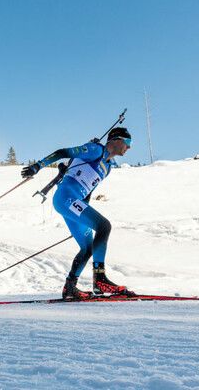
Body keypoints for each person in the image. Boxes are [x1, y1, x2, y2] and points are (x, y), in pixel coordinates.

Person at [21, 127, 132, 299]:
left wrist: (84, 215)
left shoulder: (108, 167)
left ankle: (70, 286)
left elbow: (88, 191)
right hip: (66, 197)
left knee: (87, 248)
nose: (129, 147)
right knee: (104, 226)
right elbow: (62, 152)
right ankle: (100, 279)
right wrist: (38, 166)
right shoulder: (96, 150)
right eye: (128, 143)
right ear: (116, 140)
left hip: (74, 202)